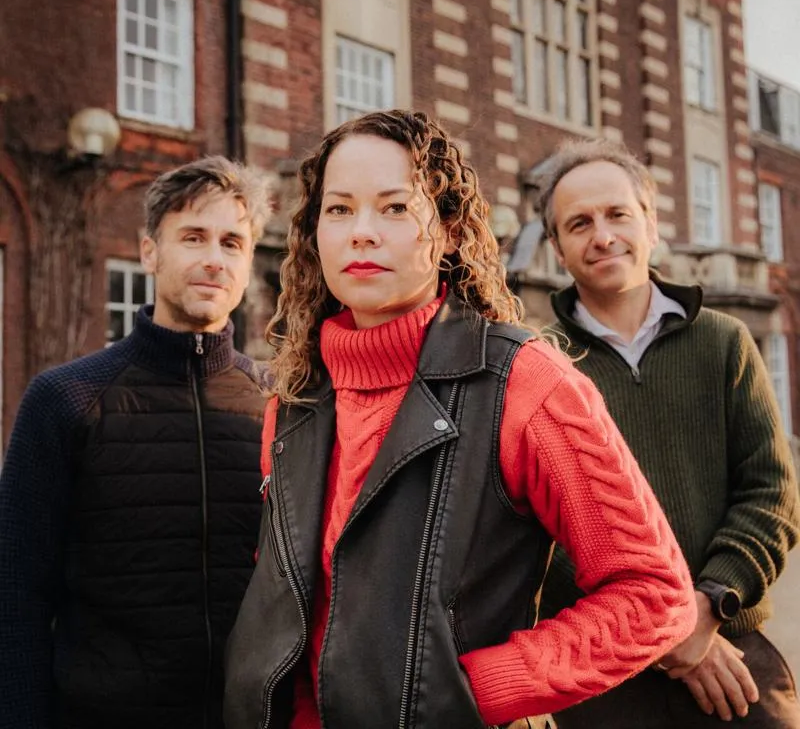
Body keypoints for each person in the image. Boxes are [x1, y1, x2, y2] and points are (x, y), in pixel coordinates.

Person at [223, 110, 697, 729]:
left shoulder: (527, 384)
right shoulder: (294, 396)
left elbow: (653, 595)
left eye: (395, 208)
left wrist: (475, 689)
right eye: (338, 210)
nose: (362, 232)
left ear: (447, 230)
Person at [0, 156, 273, 729]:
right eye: (193, 237)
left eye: (232, 242)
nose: (213, 260)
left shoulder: (277, 403)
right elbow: (17, 592)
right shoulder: (65, 399)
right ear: (151, 251)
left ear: (248, 263)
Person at [535, 139, 800, 728]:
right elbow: (538, 535)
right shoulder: (536, 366)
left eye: (617, 214)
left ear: (651, 222)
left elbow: (771, 497)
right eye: (579, 223)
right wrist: (656, 634)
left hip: (736, 657)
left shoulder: (724, 342)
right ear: (556, 248)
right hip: (609, 679)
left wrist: (705, 609)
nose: (602, 235)